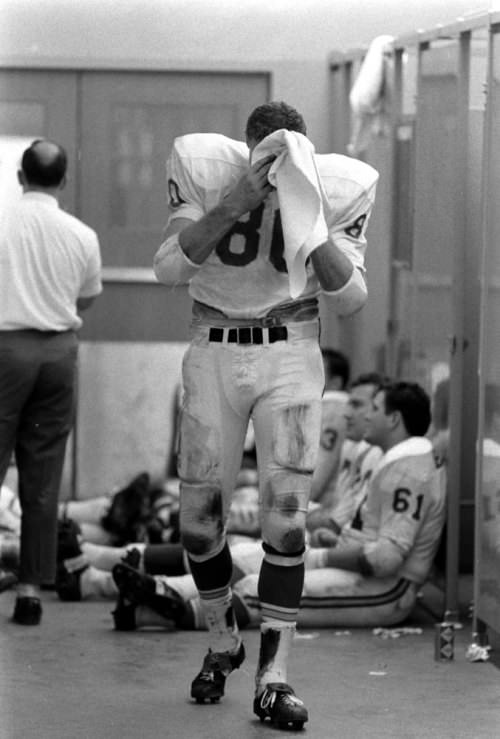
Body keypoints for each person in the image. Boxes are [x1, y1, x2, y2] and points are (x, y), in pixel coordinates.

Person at [153, 100, 378, 728]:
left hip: (291, 349)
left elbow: (353, 297)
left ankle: (274, 677)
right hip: (213, 346)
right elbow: (169, 266)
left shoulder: (337, 183)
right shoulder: (204, 166)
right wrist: (233, 203)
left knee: (288, 523)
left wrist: (310, 221)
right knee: (198, 526)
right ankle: (223, 637)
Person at [109, 380, 446, 632]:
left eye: (373, 408)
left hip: (387, 591)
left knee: (260, 588)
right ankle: (154, 595)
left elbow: (386, 559)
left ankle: (162, 608)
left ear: (394, 419)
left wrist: (320, 554)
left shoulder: (410, 467)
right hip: (353, 561)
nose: (361, 415)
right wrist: (330, 538)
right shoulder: (393, 458)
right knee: (252, 556)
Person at [0, 139, 102, 626]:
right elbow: (86, 300)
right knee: (42, 476)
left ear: (20, 177)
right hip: (59, 354)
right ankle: (29, 589)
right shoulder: (81, 234)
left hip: (5, 350)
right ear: (62, 181)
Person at [307, 372, 385, 541]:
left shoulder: (379, 455)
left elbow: (335, 522)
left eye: (356, 405)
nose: (346, 414)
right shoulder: (352, 446)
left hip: (351, 548)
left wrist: (281, 510)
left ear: (380, 410)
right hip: (335, 537)